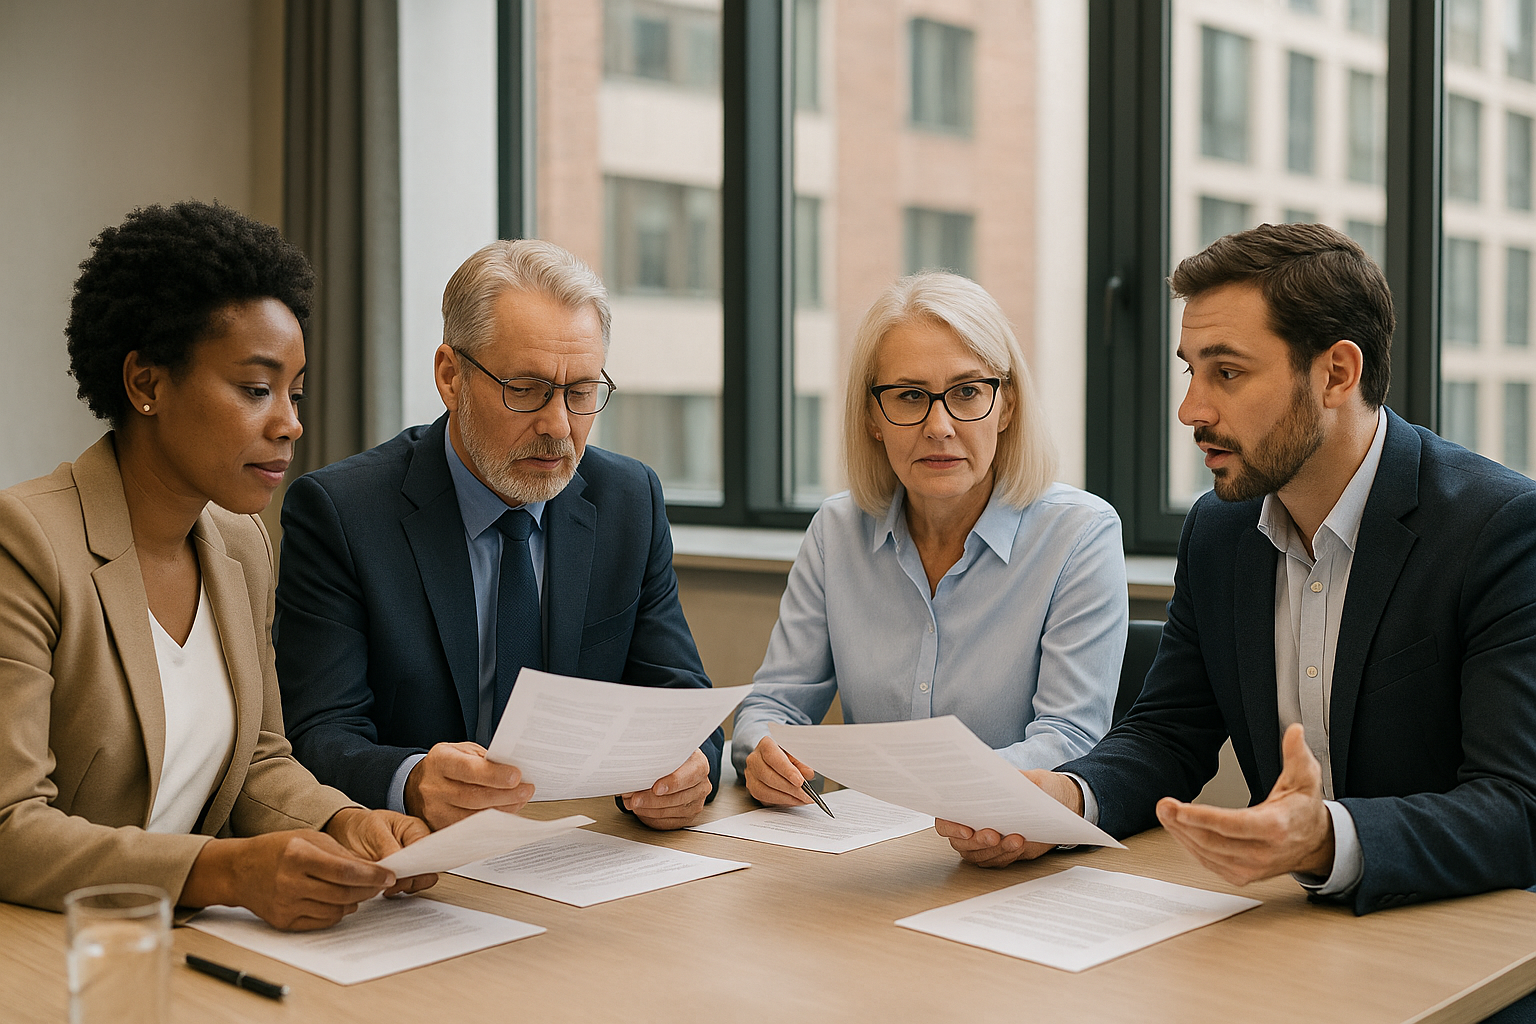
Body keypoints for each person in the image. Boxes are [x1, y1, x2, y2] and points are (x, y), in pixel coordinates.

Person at [939, 223, 1536, 922]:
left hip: (1459, 934)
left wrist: (1327, 839)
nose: (1191, 409)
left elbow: (1517, 805)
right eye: (1191, 370)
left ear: (1336, 374)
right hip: (1283, 926)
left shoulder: (1499, 529)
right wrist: (1065, 801)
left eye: (1227, 372)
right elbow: (1167, 733)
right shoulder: (1220, 531)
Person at [0, 201, 434, 930]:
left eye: (295, 393)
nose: (291, 422)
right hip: (52, 944)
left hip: (187, 940)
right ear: (147, 384)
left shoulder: (241, 544)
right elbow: (9, 825)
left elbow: (261, 762)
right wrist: (222, 870)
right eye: (257, 389)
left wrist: (343, 821)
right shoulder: (26, 543)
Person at [274, 238, 722, 832]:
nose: (558, 426)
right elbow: (315, 734)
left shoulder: (627, 500)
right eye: (527, 388)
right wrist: (409, 780)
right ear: (450, 376)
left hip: (581, 851)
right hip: (418, 859)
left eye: (582, 392)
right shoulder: (342, 512)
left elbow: (682, 700)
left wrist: (691, 770)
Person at [733, 272, 1127, 808]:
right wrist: (767, 754)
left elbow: (1069, 740)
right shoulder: (836, 531)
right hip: (863, 855)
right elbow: (772, 707)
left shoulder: (1079, 534)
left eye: (967, 392)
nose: (939, 425)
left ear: (1007, 405)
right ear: (874, 416)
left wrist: (921, 786)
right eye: (910, 396)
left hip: (1002, 846)